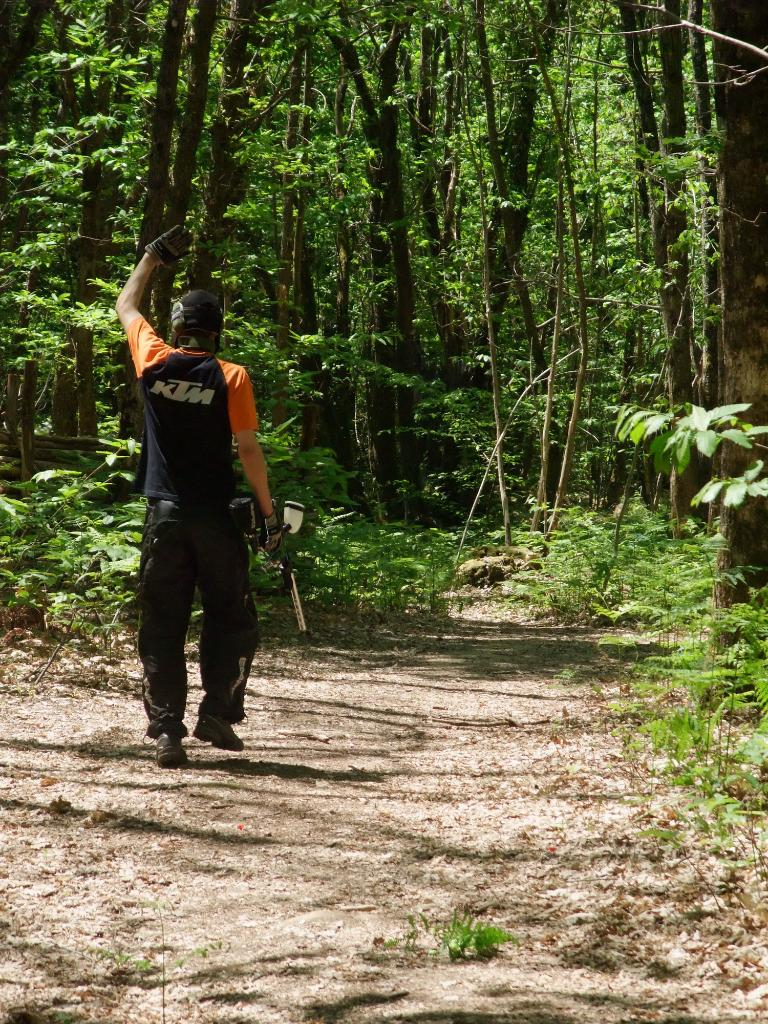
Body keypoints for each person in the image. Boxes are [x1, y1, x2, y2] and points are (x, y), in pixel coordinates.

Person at [115, 225, 282, 768]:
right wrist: (267, 512)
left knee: (162, 621)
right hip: (217, 520)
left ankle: (167, 731)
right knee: (230, 618)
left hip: (165, 518)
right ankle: (216, 714)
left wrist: (152, 258)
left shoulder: (154, 361)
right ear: (216, 332)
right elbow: (250, 450)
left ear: (179, 327)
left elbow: (125, 304)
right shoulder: (231, 376)